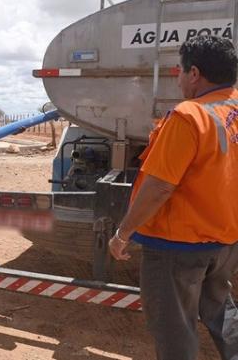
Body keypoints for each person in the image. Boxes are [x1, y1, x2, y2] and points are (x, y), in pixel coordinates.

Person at [109, 35, 238, 360]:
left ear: (194, 73)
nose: (177, 79)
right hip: (224, 243)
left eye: (178, 71)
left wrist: (123, 233)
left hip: (176, 249)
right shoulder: (232, 111)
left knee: (175, 331)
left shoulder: (189, 116)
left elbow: (160, 187)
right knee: (222, 313)